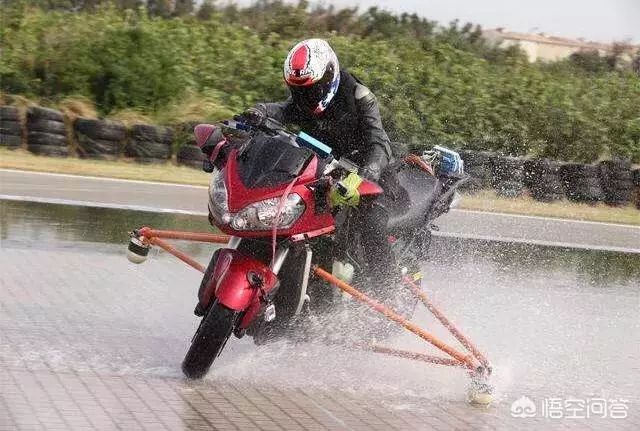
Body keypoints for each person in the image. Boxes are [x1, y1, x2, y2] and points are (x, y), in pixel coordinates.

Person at [238, 38, 400, 286]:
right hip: (324, 173)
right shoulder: (303, 101)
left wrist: (367, 173)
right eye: (299, 91)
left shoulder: (359, 96)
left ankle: (387, 290)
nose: (305, 96)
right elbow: (283, 110)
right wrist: (260, 112)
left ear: (329, 76)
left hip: (367, 175)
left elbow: (379, 142)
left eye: (311, 89)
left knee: (371, 223)